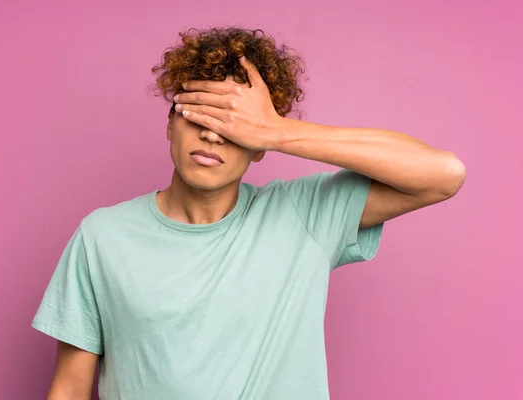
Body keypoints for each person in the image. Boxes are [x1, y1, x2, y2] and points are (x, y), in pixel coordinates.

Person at [32, 27, 466, 400]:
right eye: (196, 113)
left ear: (259, 146)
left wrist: (277, 130)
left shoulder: (304, 215)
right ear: (169, 124)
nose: (211, 133)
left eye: (232, 124)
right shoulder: (103, 235)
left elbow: (443, 174)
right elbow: (69, 388)